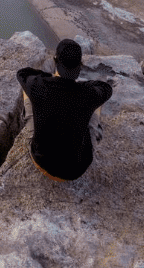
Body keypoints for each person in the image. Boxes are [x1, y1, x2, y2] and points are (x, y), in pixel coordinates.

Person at [16, 39, 113, 181]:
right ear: (79, 67)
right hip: (75, 170)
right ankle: (94, 131)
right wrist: (84, 85)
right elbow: (106, 88)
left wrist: (49, 77)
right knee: (97, 103)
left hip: (41, 162)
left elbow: (22, 74)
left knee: (27, 92)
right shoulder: (87, 94)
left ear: (56, 62)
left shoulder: (40, 85)